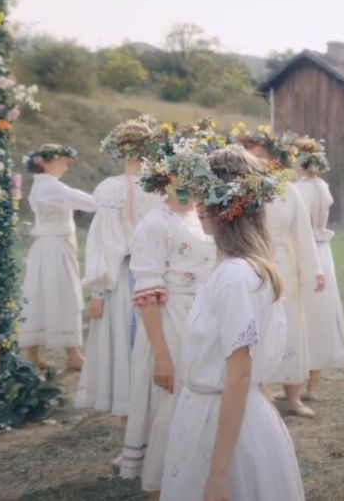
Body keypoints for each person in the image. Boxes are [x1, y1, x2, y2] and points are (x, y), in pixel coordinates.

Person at [160, 145, 304, 501]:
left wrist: (219, 473)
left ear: (227, 208)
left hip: (222, 421)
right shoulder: (232, 270)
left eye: (204, 198)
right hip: (208, 411)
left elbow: (239, 373)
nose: (197, 206)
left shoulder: (236, 277)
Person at [119, 129, 219, 491]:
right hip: (170, 320)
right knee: (174, 399)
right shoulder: (154, 224)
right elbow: (146, 294)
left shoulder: (201, 217)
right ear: (167, 175)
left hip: (205, 318)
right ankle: (164, 481)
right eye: (184, 173)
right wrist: (160, 355)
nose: (191, 182)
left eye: (197, 174)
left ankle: (200, 472)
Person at [233, 125, 323, 417]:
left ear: (274, 158)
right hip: (251, 261)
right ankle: (258, 387)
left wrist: (314, 270)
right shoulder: (240, 190)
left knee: (290, 326)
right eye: (250, 154)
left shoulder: (289, 190)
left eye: (260, 155)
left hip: (284, 262)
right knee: (254, 323)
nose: (255, 160)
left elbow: (303, 232)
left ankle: (293, 396)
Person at [78, 117, 162, 417]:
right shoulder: (161, 187)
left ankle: (132, 420)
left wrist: (98, 292)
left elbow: (104, 244)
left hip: (124, 275)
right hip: (158, 278)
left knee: (129, 347)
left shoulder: (110, 188)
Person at [20, 143, 95, 370]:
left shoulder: (44, 185)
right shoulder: (50, 187)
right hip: (54, 247)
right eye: (61, 162)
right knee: (63, 294)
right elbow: (87, 202)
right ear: (44, 163)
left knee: (42, 293)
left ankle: (34, 352)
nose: (65, 167)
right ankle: (72, 354)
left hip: (48, 245)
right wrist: (110, 197)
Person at [291, 135, 344, 399]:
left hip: (305, 250)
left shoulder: (299, 189)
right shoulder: (322, 186)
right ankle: (312, 384)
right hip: (323, 250)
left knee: (303, 313)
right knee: (319, 314)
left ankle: (297, 378)